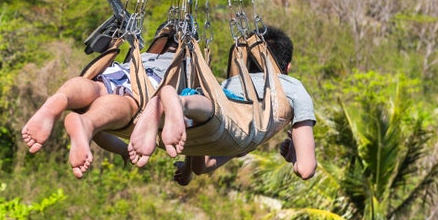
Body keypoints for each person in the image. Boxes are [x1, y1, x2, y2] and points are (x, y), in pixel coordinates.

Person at [126, 26, 316, 184]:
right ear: (288, 67)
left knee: (209, 110)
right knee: (216, 117)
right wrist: (295, 158)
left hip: (212, 106)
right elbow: (306, 169)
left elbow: (203, 166)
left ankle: (177, 102)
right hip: (234, 119)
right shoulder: (292, 88)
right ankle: (177, 102)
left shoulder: (228, 83)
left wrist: (188, 169)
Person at [21, 26, 177, 178]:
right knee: (128, 104)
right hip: (152, 84)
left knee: (97, 87)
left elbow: (100, 136)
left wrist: (123, 150)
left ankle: (61, 97)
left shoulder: (143, 57)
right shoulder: (187, 66)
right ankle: (88, 122)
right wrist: (124, 150)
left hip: (123, 70)